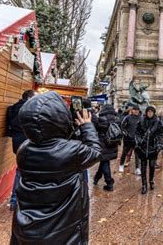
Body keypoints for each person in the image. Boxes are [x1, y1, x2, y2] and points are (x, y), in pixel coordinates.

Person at [10, 92, 101, 244]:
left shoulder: (24, 150)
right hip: (63, 231)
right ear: (59, 119)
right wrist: (87, 126)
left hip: (28, 227)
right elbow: (95, 152)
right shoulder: (72, 151)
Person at [6, 90, 35, 211]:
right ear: (29, 98)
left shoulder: (13, 108)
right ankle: (22, 201)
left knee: (20, 170)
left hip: (16, 143)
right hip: (27, 142)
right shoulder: (30, 109)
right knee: (27, 172)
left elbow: (8, 126)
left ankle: (14, 201)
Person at [135, 106, 163, 194]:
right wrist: (138, 140)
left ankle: (151, 180)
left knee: (152, 166)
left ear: (154, 113)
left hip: (153, 147)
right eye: (148, 112)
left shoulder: (157, 122)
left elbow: (160, 135)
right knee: (143, 166)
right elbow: (137, 132)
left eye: (151, 112)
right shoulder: (142, 121)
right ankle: (144, 184)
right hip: (143, 147)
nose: (149, 113)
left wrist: (159, 144)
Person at [93, 104, 118, 191]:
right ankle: (96, 178)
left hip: (103, 142)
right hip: (112, 142)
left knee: (105, 162)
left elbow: (95, 128)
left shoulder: (101, 119)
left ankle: (109, 183)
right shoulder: (116, 118)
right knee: (104, 161)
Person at [119, 105, 141, 173]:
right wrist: (126, 134)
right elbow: (122, 127)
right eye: (135, 110)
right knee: (124, 153)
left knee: (137, 155)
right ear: (132, 110)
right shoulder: (127, 117)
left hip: (137, 139)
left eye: (137, 110)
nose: (136, 111)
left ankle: (137, 168)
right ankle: (121, 165)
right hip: (128, 139)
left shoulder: (141, 118)